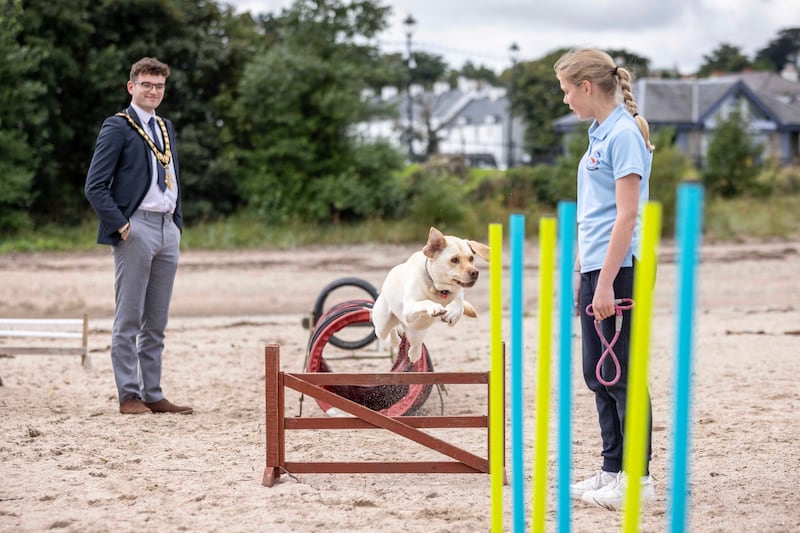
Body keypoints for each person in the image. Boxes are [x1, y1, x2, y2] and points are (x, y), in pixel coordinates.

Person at [554, 48, 654, 510]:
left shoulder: (624, 135)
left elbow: (627, 215)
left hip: (620, 270)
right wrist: (585, 271)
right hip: (596, 268)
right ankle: (612, 468)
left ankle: (638, 478)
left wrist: (608, 282)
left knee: (621, 374)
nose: (566, 100)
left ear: (587, 87)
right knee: (598, 373)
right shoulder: (599, 135)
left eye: (567, 91)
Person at [85, 57, 192, 415]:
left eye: (159, 85)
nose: (153, 91)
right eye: (146, 84)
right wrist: (121, 224)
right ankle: (129, 395)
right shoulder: (118, 126)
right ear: (131, 86)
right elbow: (95, 186)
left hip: (166, 228)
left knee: (156, 322)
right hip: (136, 227)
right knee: (129, 317)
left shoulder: (165, 126)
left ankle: (154, 392)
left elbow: (171, 173)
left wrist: (176, 221)